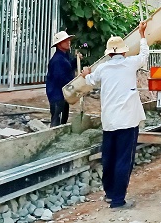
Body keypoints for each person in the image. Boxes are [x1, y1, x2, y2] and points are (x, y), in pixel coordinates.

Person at [80, 21, 148, 210]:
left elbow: (89, 80)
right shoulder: (130, 64)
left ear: (109, 54)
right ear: (124, 52)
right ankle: (118, 200)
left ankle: (110, 194)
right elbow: (144, 56)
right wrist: (142, 34)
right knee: (123, 159)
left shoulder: (103, 69)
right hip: (128, 121)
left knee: (109, 158)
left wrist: (85, 73)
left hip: (109, 121)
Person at [46, 30, 77, 127]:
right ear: (59, 44)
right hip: (57, 94)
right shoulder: (57, 60)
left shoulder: (65, 56)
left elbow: (69, 67)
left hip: (63, 93)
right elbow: (61, 78)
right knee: (56, 120)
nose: (68, 42)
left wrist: (76, 61)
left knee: (63, 118)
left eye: (68, 40)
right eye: (65, 41)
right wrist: (75, 84)